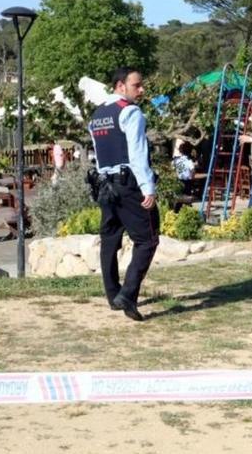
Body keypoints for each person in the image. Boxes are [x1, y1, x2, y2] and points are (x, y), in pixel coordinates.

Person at [88, 67, 158, 322]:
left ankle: (113, 294)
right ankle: (127, 294)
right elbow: (137, 153)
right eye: (137, 85)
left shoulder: (97, 115)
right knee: (147, 239)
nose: (142, 90)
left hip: (105, 184)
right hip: (128, 184)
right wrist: (147, 187)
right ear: (120, 86)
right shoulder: (131, 112)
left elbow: (98, 153)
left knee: (110, 238)